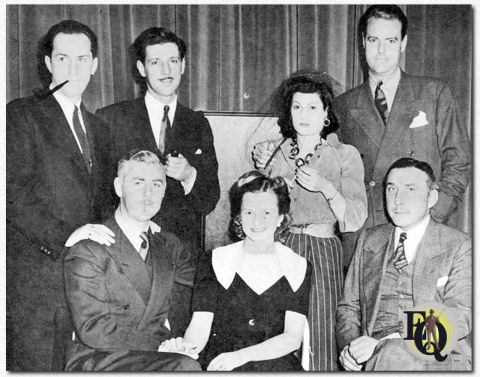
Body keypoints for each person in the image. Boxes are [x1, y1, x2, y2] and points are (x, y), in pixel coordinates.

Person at [96, 27, 220, 334]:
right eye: (155, 62)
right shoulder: (111, 118)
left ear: (183, 65)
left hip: (179, 264)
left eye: (173, 61)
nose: (166, 70)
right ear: (140, 68)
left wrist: (190, 174)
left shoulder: (198, 123)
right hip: (125, 261)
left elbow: (209, 199)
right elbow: (99, 195)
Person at [6, 20, 114, 371]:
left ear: (95, 65)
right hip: (37, 281)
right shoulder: (21, 114)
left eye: (82, 59)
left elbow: (104, 201)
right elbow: (11, 192)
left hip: (85, 283)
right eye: (63, 59)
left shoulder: (98, 126)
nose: (74, 68)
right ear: (49, 64)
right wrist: (64, 235)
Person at [333, 5, 471, 266]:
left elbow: (459, 164)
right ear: (363, 42)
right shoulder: (342, 106)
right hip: (365, 241)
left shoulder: (434, 93)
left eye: (391, 40)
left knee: (420, 307)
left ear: (403, 43)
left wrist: (431, 216)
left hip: (422, 233)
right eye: (374, 40)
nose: (381, 51)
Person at [250, 71, 367, 370]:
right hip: (281, 247)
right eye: (297, 107)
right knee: (274, 330)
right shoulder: (275, 153)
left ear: (326, 113)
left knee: (320, 332)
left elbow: (355, 217)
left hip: (322, 251)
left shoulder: (344, 155)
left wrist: (324, 186)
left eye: (313, 107)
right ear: (289, 112)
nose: (304, 115)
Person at [63, 150, 201, 372]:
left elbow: (203, 285)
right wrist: (161, 346)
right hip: (100, 359)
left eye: (157, 185)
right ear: (119, 187)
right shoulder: (90, 247)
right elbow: (93, 328)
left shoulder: (169, 245)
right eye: (138, 183)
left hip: (157, 356)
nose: (148, 194)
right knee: (184, 367)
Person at [159, 171, 312, 371]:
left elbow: (292, 339)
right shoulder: (214, 260)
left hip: (275, 363)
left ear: (280, 218)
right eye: (249, 212)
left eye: (266, 213)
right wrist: (185, 349)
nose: (257, 222)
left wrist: (241, 357)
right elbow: (199, 326)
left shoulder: (297, 265)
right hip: (222, 361)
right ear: (239, 216)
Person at [336, 158, 471, 371]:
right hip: (374, 357)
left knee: (392, 353)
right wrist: (349, 349)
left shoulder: (459, 245)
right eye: (391, 189)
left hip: (435, 355)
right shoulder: (369, 240)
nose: (398, 200)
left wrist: (387, 343)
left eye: (410, 189)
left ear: (431, 197)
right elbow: (349, 307)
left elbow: (460, 315)